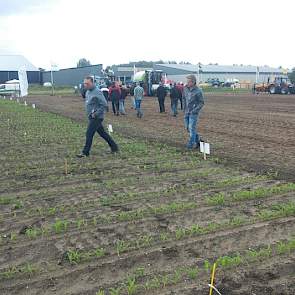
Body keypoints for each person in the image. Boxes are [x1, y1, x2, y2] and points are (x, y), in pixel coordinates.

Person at [77, 76, 119, 157]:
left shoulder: (97, 92)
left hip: (96, 117)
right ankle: (114, 147)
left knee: (89, 133)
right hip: (91, 117)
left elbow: (104, 104)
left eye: (87, 84)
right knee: (102, 133)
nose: (85, 85)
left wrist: (96, 113)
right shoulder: (88, 92)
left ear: (92, 83)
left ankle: (85, 152)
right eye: (84, 83)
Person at [183, 74, 204, 149]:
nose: (187, 83)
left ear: (193, 82)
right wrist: (184, 108)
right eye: (187, 81)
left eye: (188, 82)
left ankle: (190, 145)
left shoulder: (198, 91)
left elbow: (201, 103)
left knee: (191, 128)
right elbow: (184, 98)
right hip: (186, 112)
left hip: (193, 113)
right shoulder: (185, 89)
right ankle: (198, 141)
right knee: (188, 128)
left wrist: (195, 110)